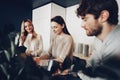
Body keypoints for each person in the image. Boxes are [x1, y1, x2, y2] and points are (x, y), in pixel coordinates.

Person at [76, 0, 120, 80]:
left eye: (85, 19)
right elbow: (92, 63)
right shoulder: (98, 38)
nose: (82, 25)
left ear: (103, 16)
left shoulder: (117, 43)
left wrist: (78, 73)